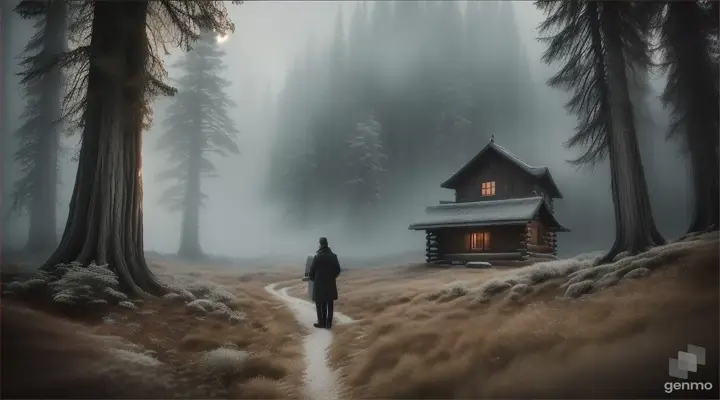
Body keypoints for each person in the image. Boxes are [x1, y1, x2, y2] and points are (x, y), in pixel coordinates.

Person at [307, 237, 341, 329]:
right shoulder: (333, 256)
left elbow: (312, 271)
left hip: (319, 284)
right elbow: (338, 270)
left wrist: (313, 279)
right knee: (330, 303)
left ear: (320, 244)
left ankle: (321, 322)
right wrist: (332, 277)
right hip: (330, 283)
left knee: (319, 303)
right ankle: (329, 323)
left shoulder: (317, 257)